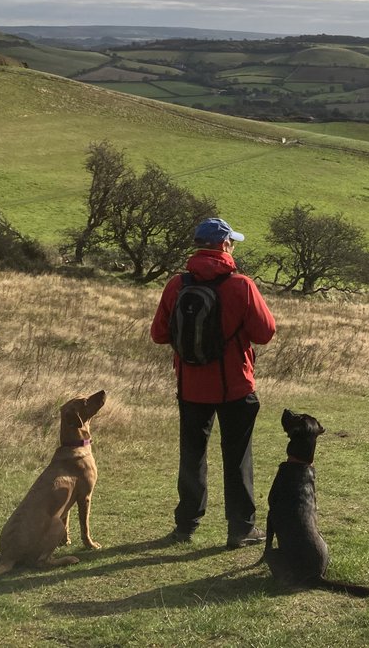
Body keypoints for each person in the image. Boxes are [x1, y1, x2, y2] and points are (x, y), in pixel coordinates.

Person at [150, 217, 276, 548]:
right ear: (223, 245)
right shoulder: (242, 285)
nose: (232, 245)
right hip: (235, 387)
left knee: (192, 455)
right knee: (237, 457)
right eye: (231, 241)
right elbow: (265, 333)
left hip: (191, 387)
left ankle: (185, 527)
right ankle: (241, 529)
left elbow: (158, 334)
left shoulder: (176, 285)